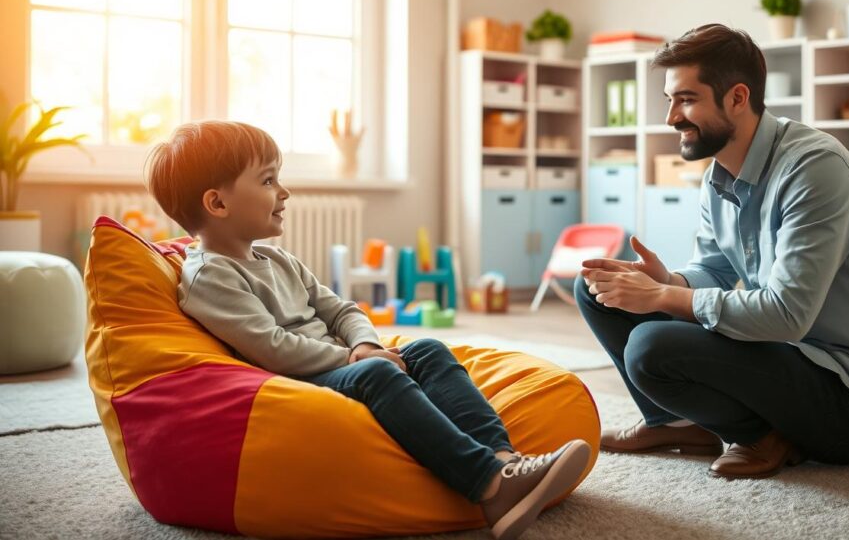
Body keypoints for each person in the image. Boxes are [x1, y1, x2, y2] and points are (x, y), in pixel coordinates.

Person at [146, 120, 590, 540]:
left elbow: (340, 308)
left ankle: (505, 460)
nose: (284, 192)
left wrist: (364, 341)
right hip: (296, 378)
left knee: (429, 349)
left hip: (346, 360)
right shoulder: (211, 276)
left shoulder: (279, 260)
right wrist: (352, 358)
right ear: (217, 204)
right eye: (267, 181)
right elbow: (270, 347)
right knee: (376, 376)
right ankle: (488, 485)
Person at [576, 24, 849, 480]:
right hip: (777, 355)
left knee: (651, 346)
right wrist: (667, 282)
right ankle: (676, 423)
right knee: (594, 287)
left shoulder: (815, 170)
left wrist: (661, 298)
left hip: (848, 399)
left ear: (737, 97)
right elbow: (712, 270)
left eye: (686, 99)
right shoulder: (719, 175)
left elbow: (787, 315)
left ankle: (765, 435)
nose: (671, 117)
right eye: (669, 100)